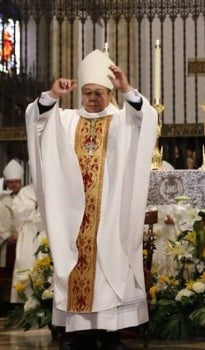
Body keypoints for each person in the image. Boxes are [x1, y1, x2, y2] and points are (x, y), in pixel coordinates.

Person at [25, 49, 158, 349]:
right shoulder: (68, 120)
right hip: (76, 218)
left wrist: (128, 90)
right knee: (77, 267)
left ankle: (110, 333)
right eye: (87, 93)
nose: (92, 99)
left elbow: (146, 118)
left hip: (110, 214)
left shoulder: (122, 120)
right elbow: (36, 119)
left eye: (98, 93)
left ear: (110, 93)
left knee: (110, 266)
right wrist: (52, 95)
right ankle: (79, 333)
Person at [9, 183, 47, 304]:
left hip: (46, 234)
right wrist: (34, 205)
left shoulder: (53, 187)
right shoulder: (25, 192)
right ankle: (26, 304)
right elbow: (17, 212)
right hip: (28, 236)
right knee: (27, 267)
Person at [0, 159, 23, 308]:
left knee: (21, 271)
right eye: (11, 182)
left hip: (22, 242)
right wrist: (6, 235)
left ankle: (18, 303)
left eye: (16, 181)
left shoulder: (27, 198)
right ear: (7, 183)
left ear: (21, 182)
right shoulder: (1, 201)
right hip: (5, 244)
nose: (13, 184)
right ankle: (3, 304)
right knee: (4, 275)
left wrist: (21, 234)